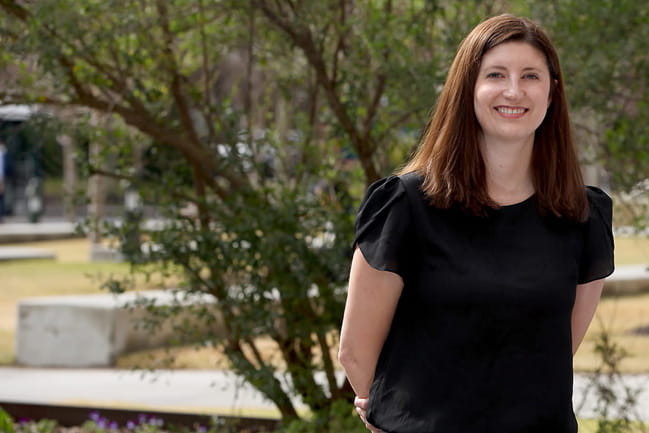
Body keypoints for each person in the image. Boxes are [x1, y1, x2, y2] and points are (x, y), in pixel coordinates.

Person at [338, 14, 614, 433]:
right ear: (468, 88)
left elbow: (557, 349)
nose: (514, 90)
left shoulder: (582, 215)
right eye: (496, 74)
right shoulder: (405, 205)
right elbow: (356, 351)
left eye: (531, 76)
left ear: (552, 93)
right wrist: (391, 416)